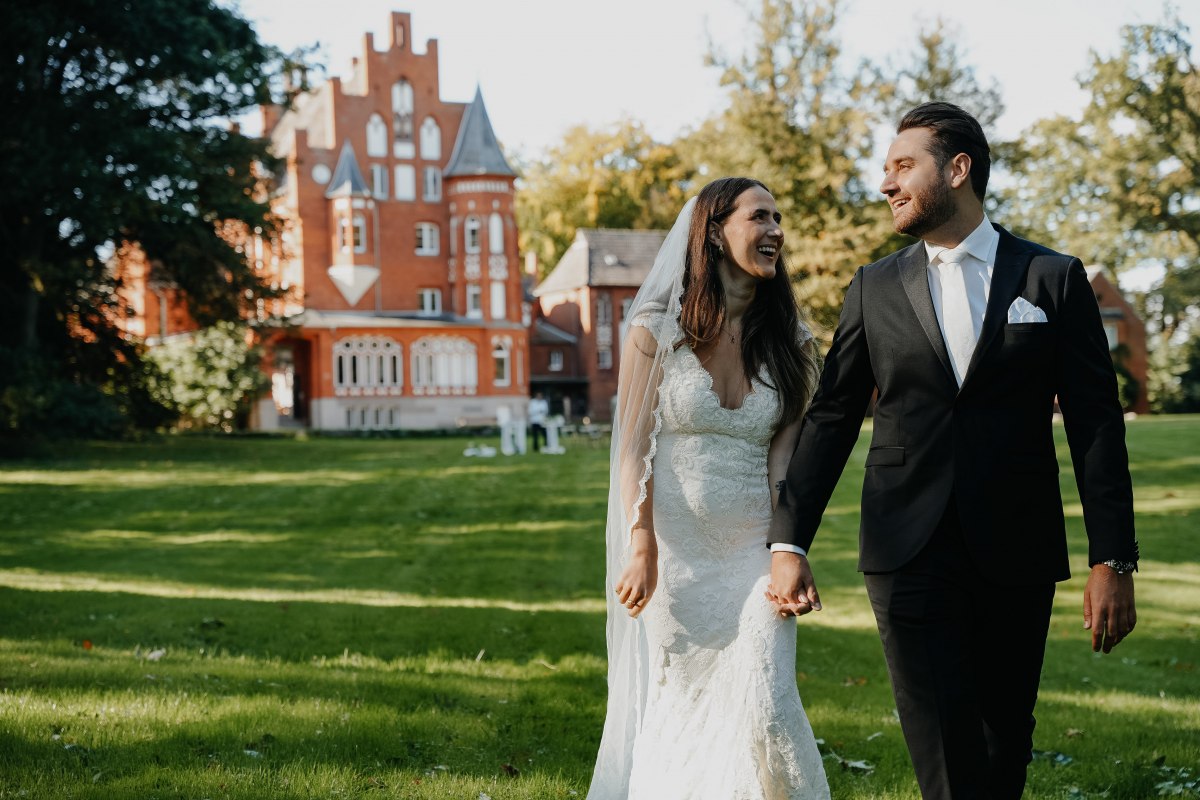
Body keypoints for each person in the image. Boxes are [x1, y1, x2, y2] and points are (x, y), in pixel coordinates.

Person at [768, 102, 1140, 800]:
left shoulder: (1052, 279)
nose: (886, 183)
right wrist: (788, 541)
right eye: (886, 169)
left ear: (958, 169)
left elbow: (1096, 426)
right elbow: (832, 416)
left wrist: (1112, 559)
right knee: (940, 742)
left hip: (1017, 545)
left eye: (903, 166)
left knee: (1005, 743)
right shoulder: (874, 286)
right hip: (906, 547)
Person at [587, 177, 830, 799]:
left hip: (753, 553)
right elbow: (633, 446)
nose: (775, 230)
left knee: (767, 695)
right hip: (676, 557)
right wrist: (641, 541)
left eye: (778, 218)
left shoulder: (792, 343)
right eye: (760, 217)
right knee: (685, 704)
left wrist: (789, 549)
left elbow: (783, 461)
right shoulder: (654, 331)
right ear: (716, 233)